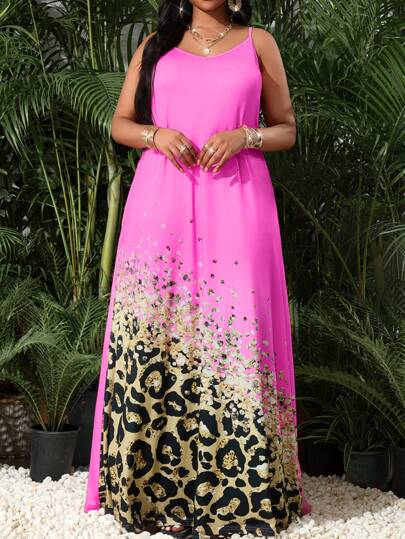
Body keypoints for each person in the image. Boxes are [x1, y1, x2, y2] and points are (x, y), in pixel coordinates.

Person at [84, 0, 312, 537]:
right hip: (159, 204)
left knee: (239, 331)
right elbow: (120, 123)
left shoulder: (258, 43)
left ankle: (243, 491)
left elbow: (287, 129)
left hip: (239, 200)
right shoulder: (156, 45)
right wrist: (156, 135)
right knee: (158, 331)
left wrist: (245, 136)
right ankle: (152, 489)